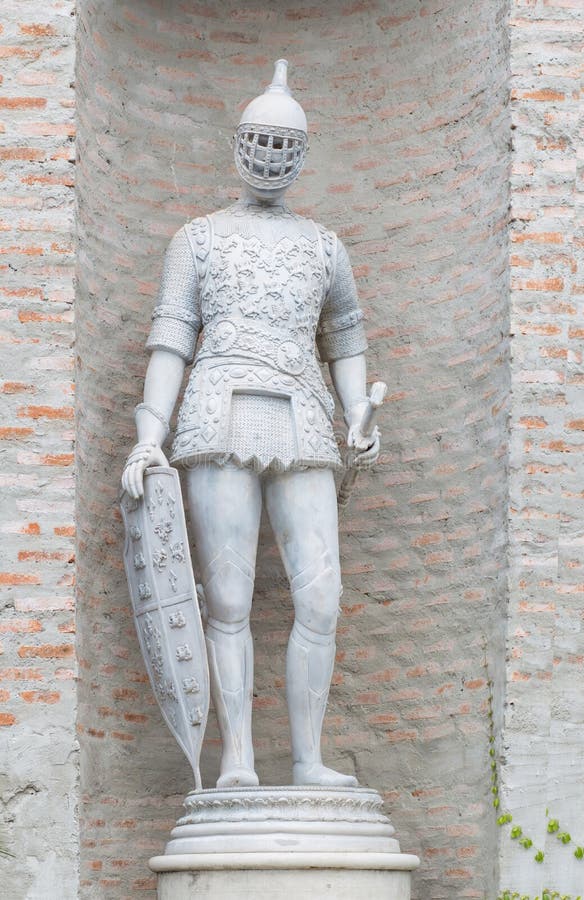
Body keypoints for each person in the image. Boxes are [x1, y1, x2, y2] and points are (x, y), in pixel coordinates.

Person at [121, 60, 380, 789]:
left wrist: (357, 408)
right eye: (261, 142)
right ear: (241, 145)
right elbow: (172, 337)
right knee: (226, 596)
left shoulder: (326, 246)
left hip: (302, 413)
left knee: (320, 596)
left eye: (283, 145)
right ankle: (236, 759)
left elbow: (347, 339)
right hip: (216, 408)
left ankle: (306, 760)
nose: (271, 158)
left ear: (300, 155)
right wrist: (150, 431)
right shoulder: (197, 239)